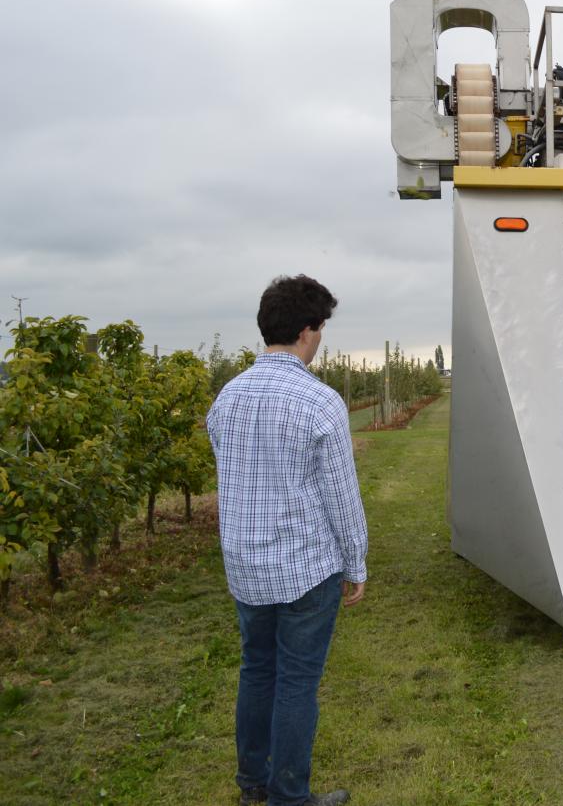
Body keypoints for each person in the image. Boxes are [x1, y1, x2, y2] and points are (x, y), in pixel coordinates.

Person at [207, 275, 369, 806]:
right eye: (320, 328)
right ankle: (289, 796)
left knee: (257, 670)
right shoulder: (318, 402)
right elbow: (340, 495)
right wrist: (356, 563)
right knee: (297, 681)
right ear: (307, 331)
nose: (319, 338)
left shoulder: (226, 398)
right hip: (305, 567)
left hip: (245, 566)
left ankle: (253, 782)